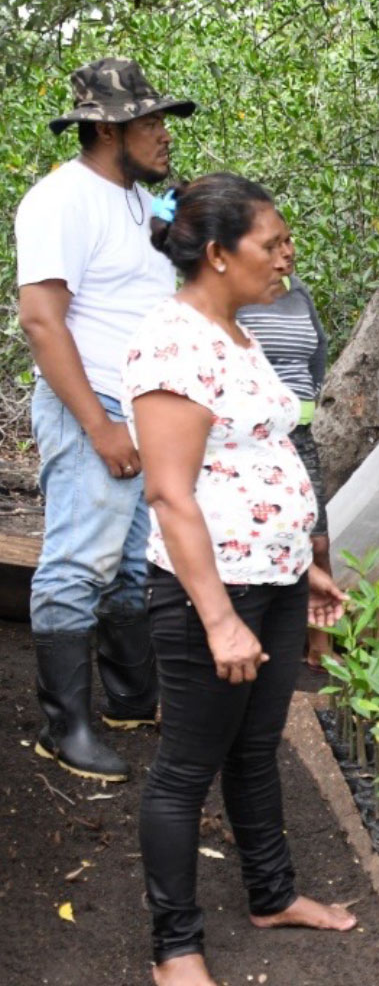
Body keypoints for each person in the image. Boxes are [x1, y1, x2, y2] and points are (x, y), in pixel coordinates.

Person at [124, 172, 357, 986]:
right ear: (219, 254)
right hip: (210, 592)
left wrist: (306, 566)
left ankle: (272, 894)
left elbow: (263, 455)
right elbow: (170, 492)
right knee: (186, 767)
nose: (287, 256)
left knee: (257, 749)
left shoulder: (240, 333)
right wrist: (220, 618)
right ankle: (175, 948)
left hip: (278, 578)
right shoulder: (172, 342)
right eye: (273, 243)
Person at [15, 57, 196, 782]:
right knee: (76, 563)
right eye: (149, 122)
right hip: (93, 404)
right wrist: (99, 425)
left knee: (129, 565)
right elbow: (41, 320)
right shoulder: (61, 200)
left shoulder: (134, 201)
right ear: (104, 127)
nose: (163, 134)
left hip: (141, 408)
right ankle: (64, 729)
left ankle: (128, 697)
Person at [236, 261, 333, 670]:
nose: (284, 252)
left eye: (287, 241)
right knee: (254, 532)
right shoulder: (236, 292)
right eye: (273, 244)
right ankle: (250, 639)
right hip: (252, 435)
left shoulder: (300, 292)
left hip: (300, 433)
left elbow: (319, 348)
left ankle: (321, 645)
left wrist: (307, 394)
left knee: (318, 539)